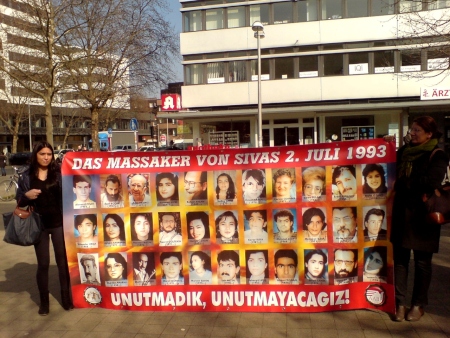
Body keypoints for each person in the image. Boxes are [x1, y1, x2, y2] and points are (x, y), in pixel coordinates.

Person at [389, 116, 448, 322]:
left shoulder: (437, 155)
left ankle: (418, 304)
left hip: (424, 218)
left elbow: (431, 181)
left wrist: (405, 183)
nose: (412, 133)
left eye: (417, 130)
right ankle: (400, 303)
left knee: (423, 263)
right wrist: (385, 146)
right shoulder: (403, 152)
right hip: (402, 216)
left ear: (429, 134)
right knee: (401, 261)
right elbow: (388, 168)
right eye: (412, 129)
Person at [16, 141, 73, 315]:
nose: (46, 157)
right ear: (36, 155)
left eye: (49, 154)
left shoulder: (59, 173)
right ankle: (44, 302)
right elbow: (19, 200)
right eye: (43, 154)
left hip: (59, 224)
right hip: (38, 224)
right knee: (43, 264)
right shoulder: (26, 175)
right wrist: (26, 195)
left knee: (63, 263)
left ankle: (66, 299)